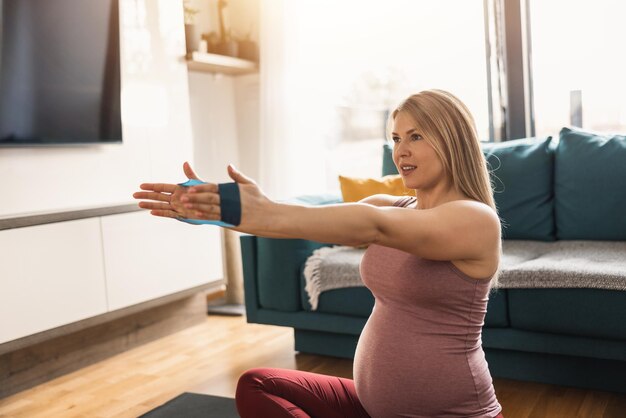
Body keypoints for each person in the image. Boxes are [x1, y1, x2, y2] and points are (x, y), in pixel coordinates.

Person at [133, 89, 505, 418]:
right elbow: (294, 221)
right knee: (258, 385)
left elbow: (373, 225)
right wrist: (218, 211)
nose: (400, 150)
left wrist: (260, 211)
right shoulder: (392, 205)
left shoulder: (475, 219)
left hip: (452, 414)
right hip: (372, 406)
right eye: (395, 138)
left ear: (453, 141)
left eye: (416, 136)